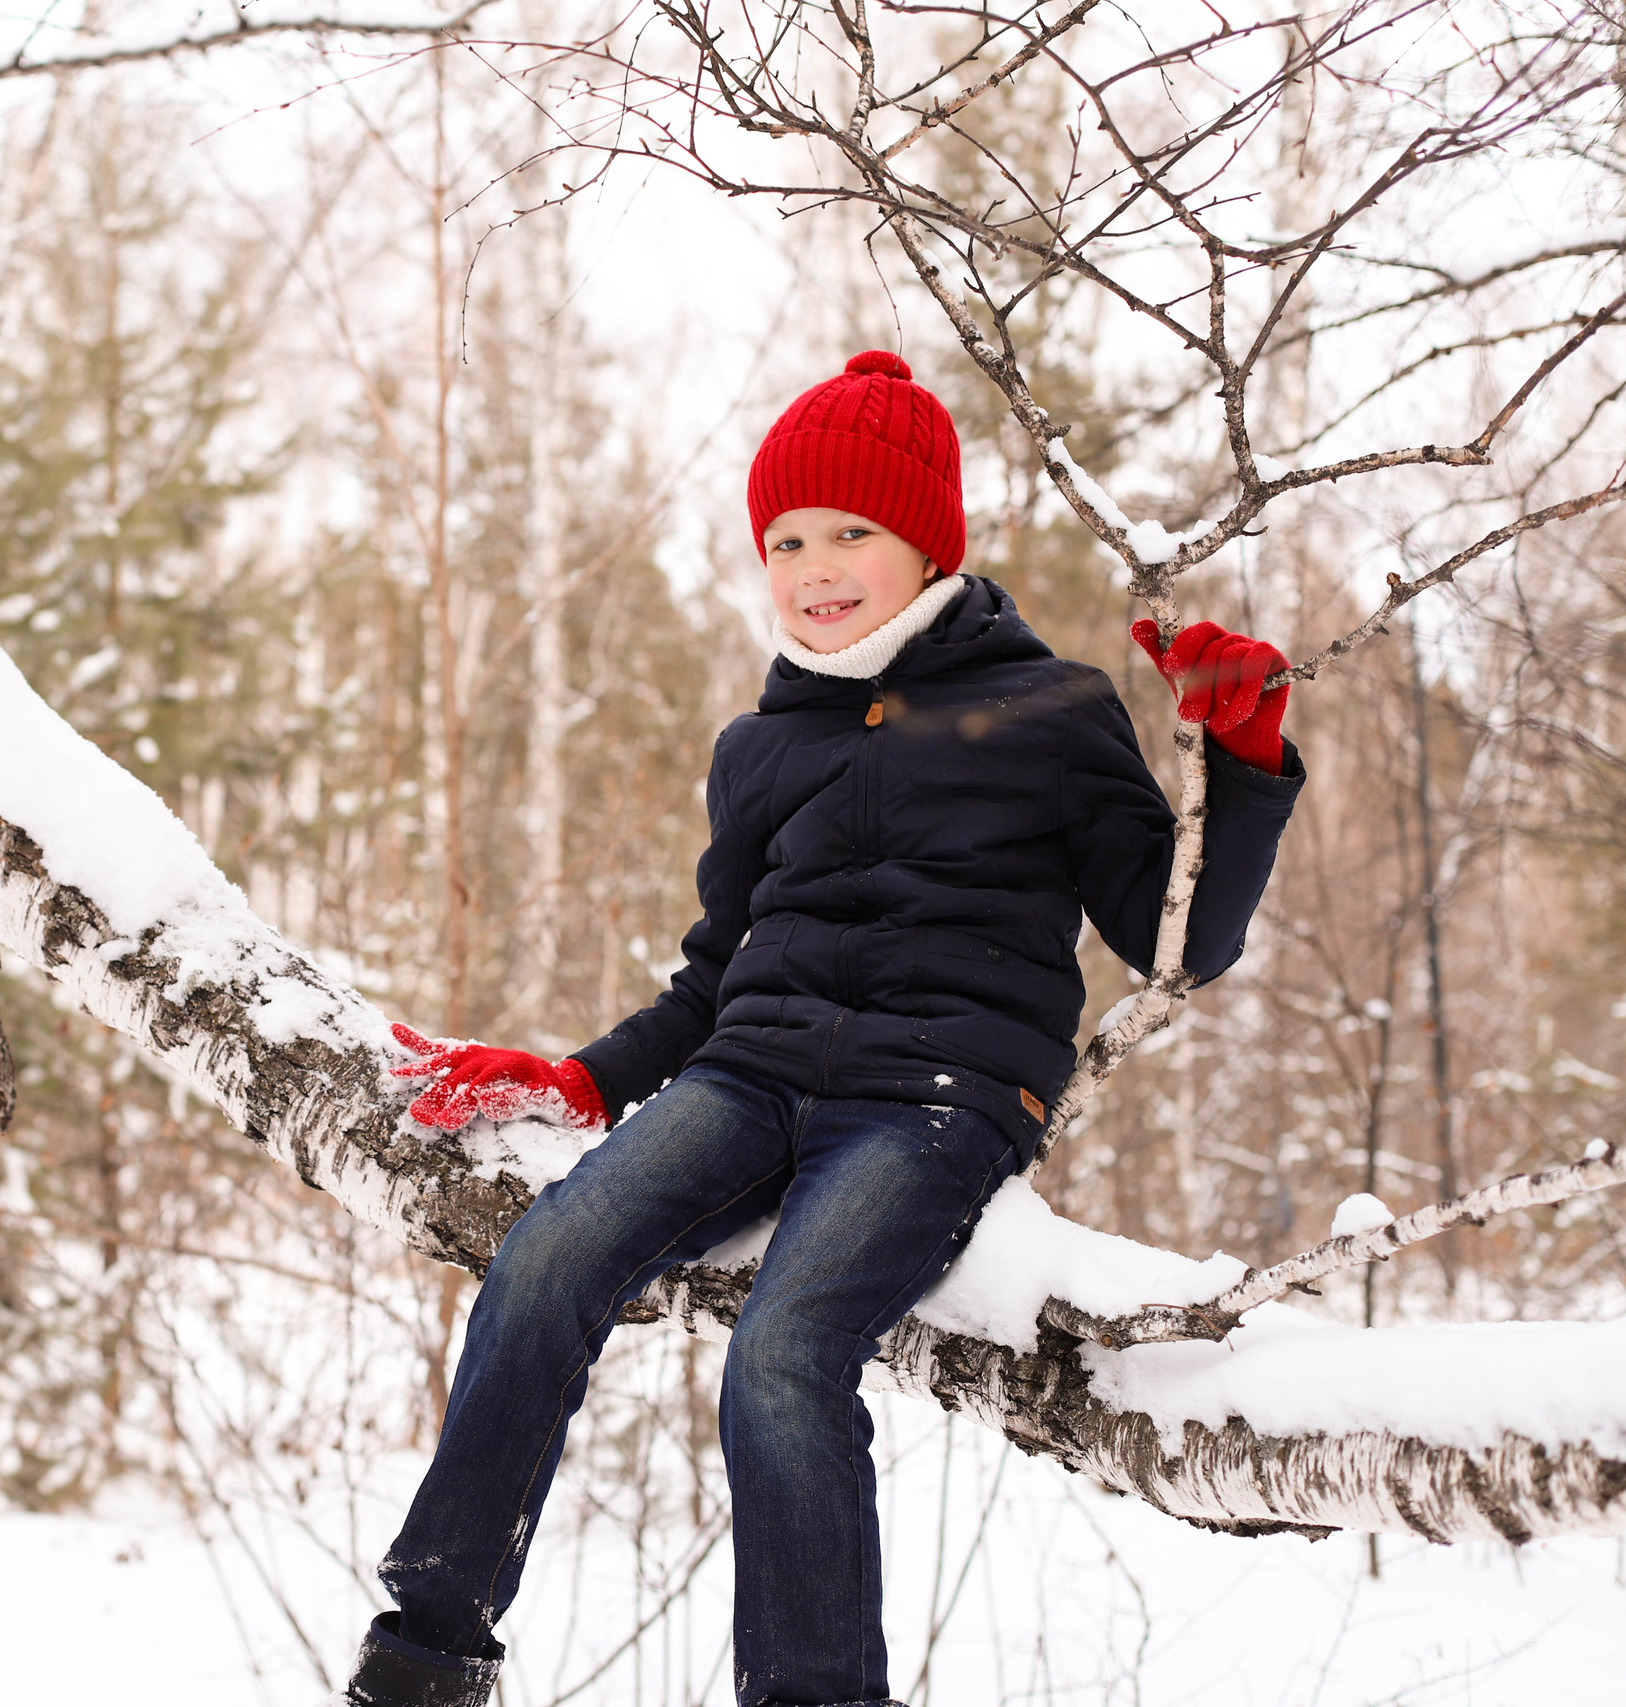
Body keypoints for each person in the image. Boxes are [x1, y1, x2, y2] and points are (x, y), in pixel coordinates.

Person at [344, 351, 1306, 1707]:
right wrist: (581, 1075)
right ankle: (429, 1649)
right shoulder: (761, 745)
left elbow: (1175, 942)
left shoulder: (1052, 711)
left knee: (785, 1354)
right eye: (787, 539)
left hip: (935, 1097)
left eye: (852, 531)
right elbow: (714, 973)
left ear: (928, 544)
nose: (816, 565)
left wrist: (1241, 765)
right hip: (749, 1078)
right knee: (548, 1257)